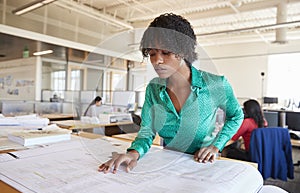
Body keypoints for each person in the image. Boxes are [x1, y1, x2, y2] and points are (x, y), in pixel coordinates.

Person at [98, 13, 244, 174]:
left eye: (165, 52)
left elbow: (236, 116)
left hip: (204, 166)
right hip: (168, 164)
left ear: (183, 52)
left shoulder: (215, 85)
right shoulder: (153, 89)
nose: (156, 60)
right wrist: (133, 153)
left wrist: (216, 145)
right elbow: (147, 131)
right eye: (152, 53)